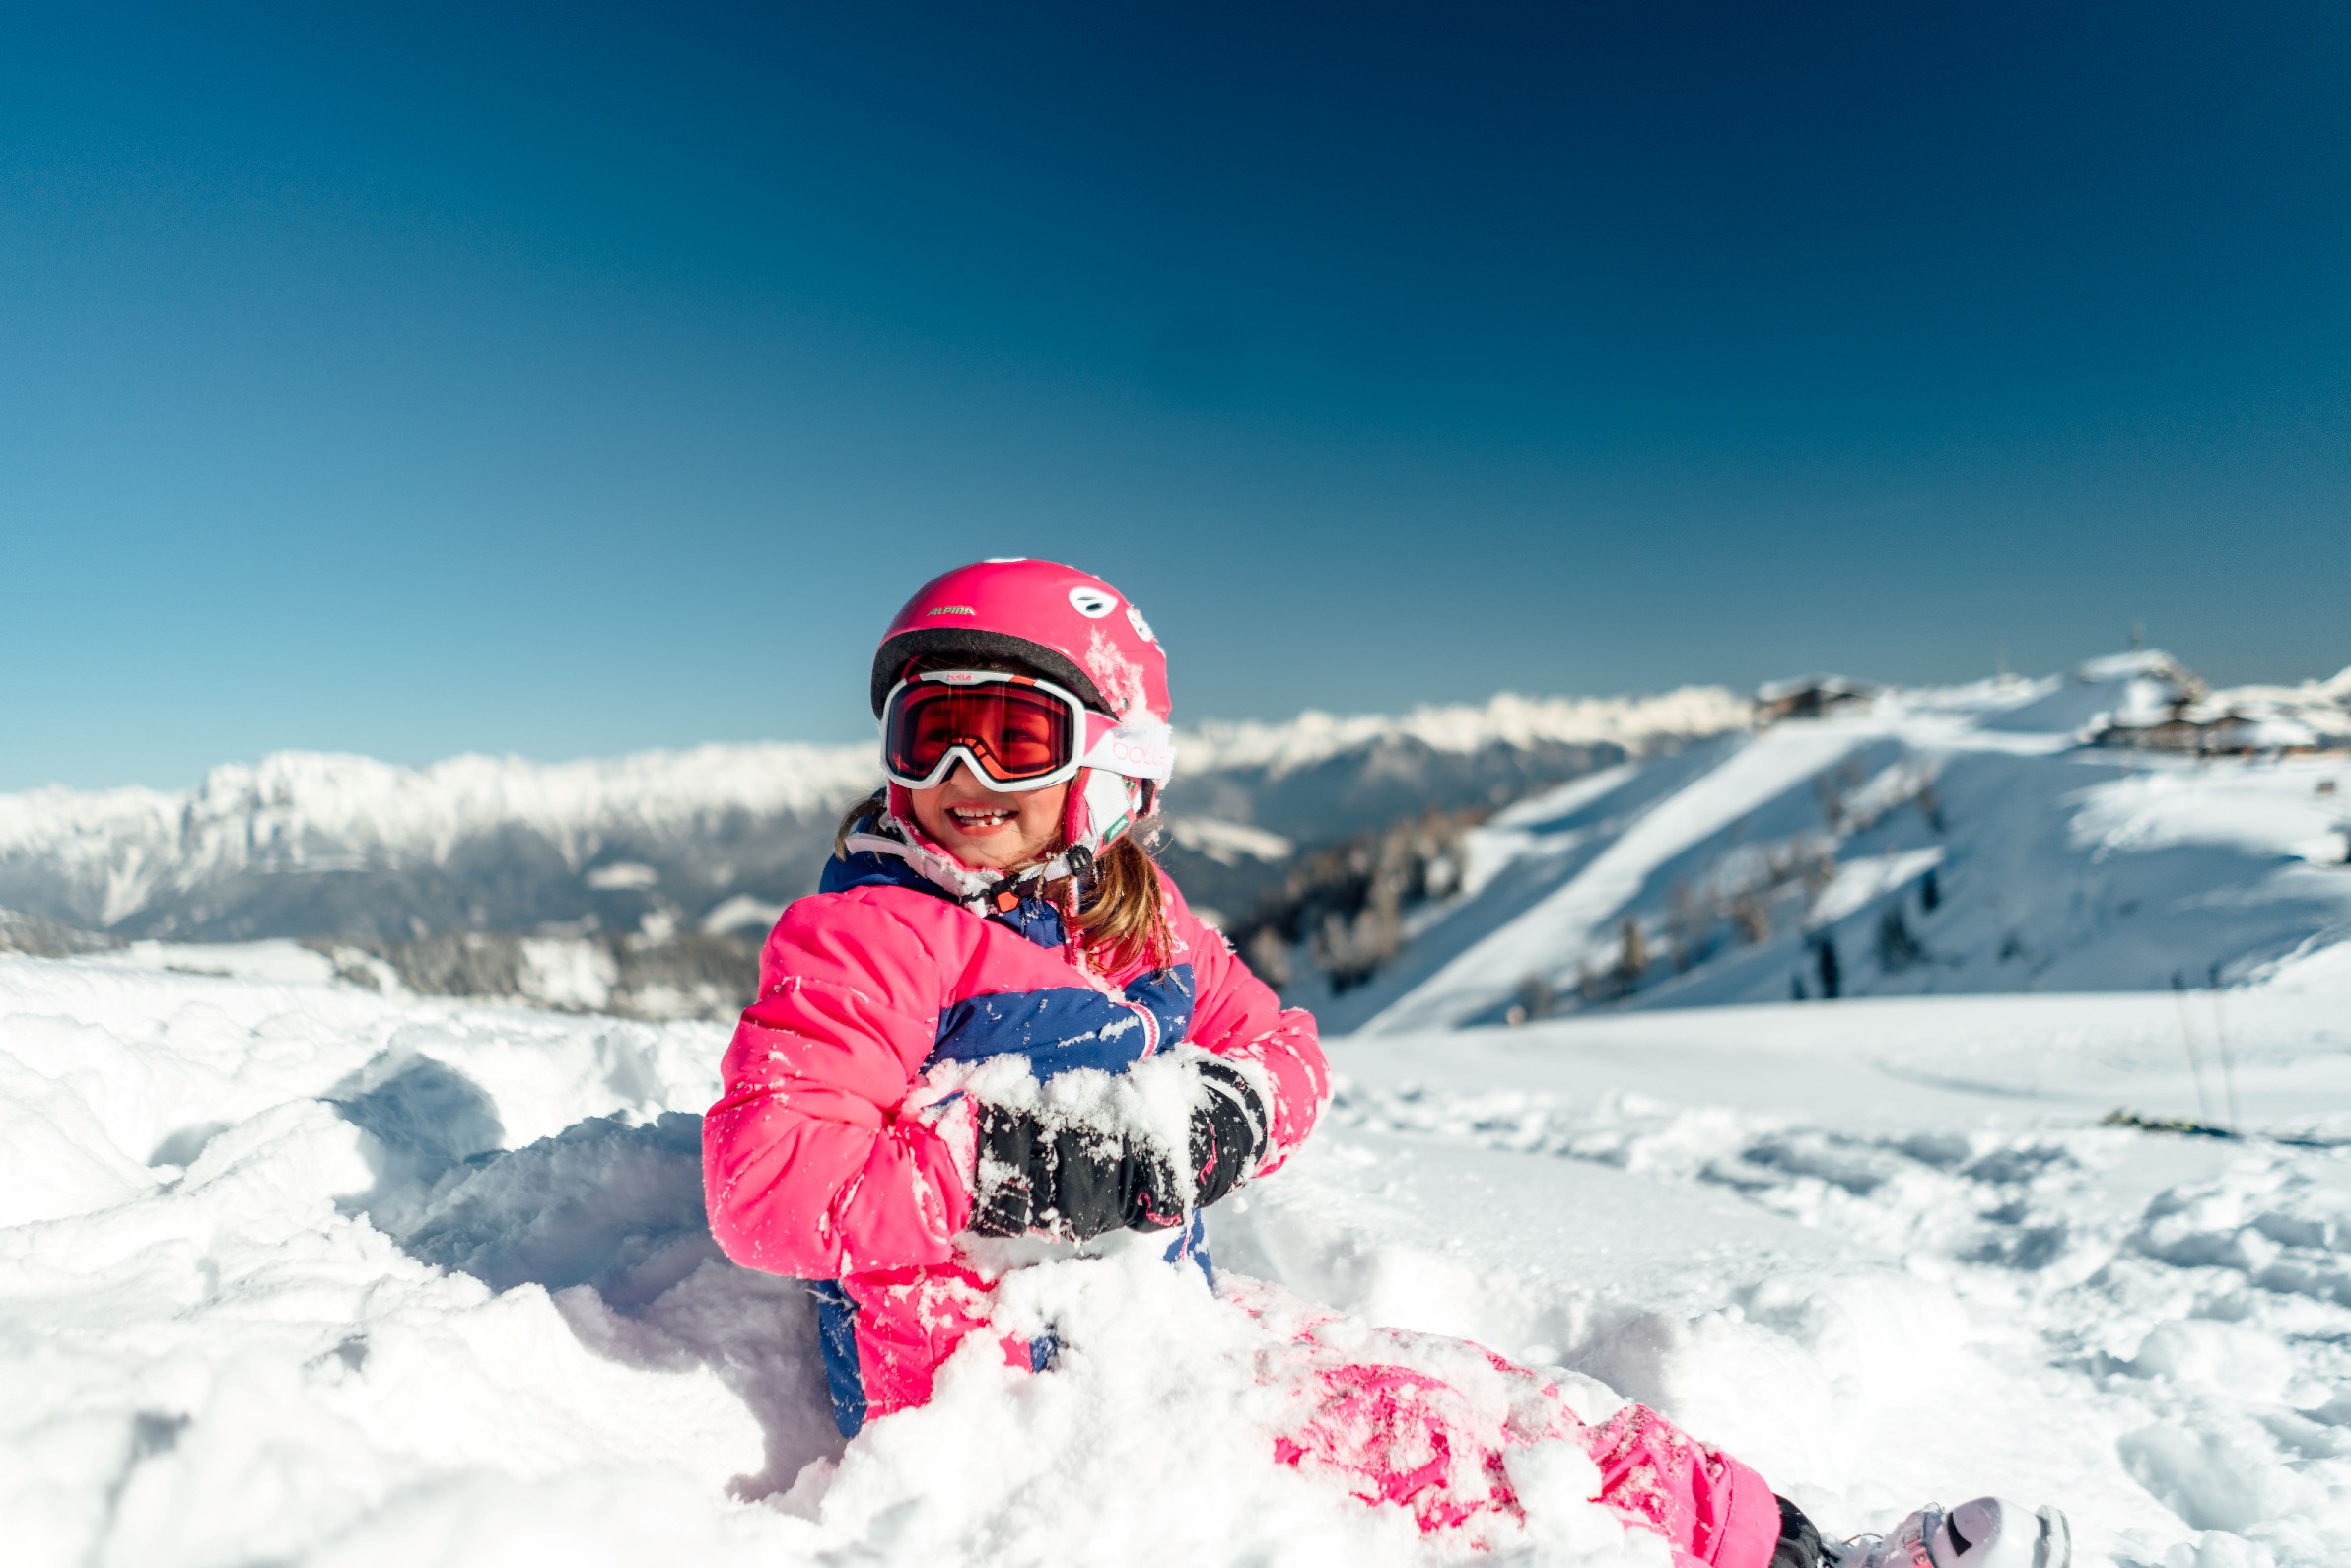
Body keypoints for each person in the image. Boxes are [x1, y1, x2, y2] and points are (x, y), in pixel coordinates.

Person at [702, 559, 2067, 1568]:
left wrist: (1225, 1118)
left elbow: (1284, 1048)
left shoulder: (1137, 921)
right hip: (997, 1397)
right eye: (922, 730)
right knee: (1426, 1487)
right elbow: (768, 1188)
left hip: (1162, 1334)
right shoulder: (869, 932)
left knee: (1495, 1412)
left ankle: (1798, 1550)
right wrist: (1048, 1163)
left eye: (1012, 734)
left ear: (1117, 770)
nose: (956, 769)